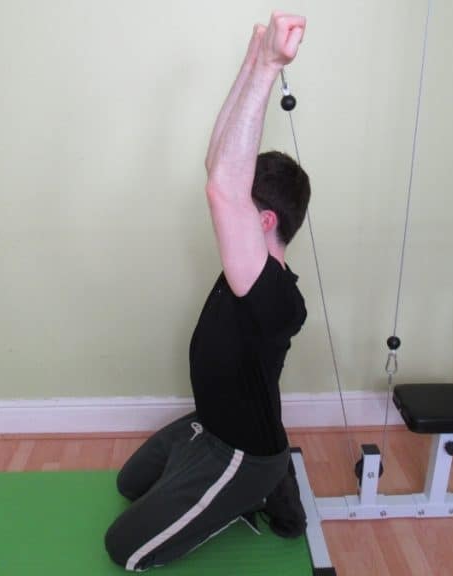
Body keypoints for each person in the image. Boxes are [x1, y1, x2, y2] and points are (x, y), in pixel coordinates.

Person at [104, 12, 311, 570]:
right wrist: (249, 61)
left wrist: (269, 67)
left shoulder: (274, 297)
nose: (230, 209)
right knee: (131, 483)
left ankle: (261, 491)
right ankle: (245, 487)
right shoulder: (247, 263)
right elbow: (218, 166)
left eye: (245, 208)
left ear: (264, 221)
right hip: (211, 422)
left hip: (242, 455)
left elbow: (222, 188)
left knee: (124, 549)